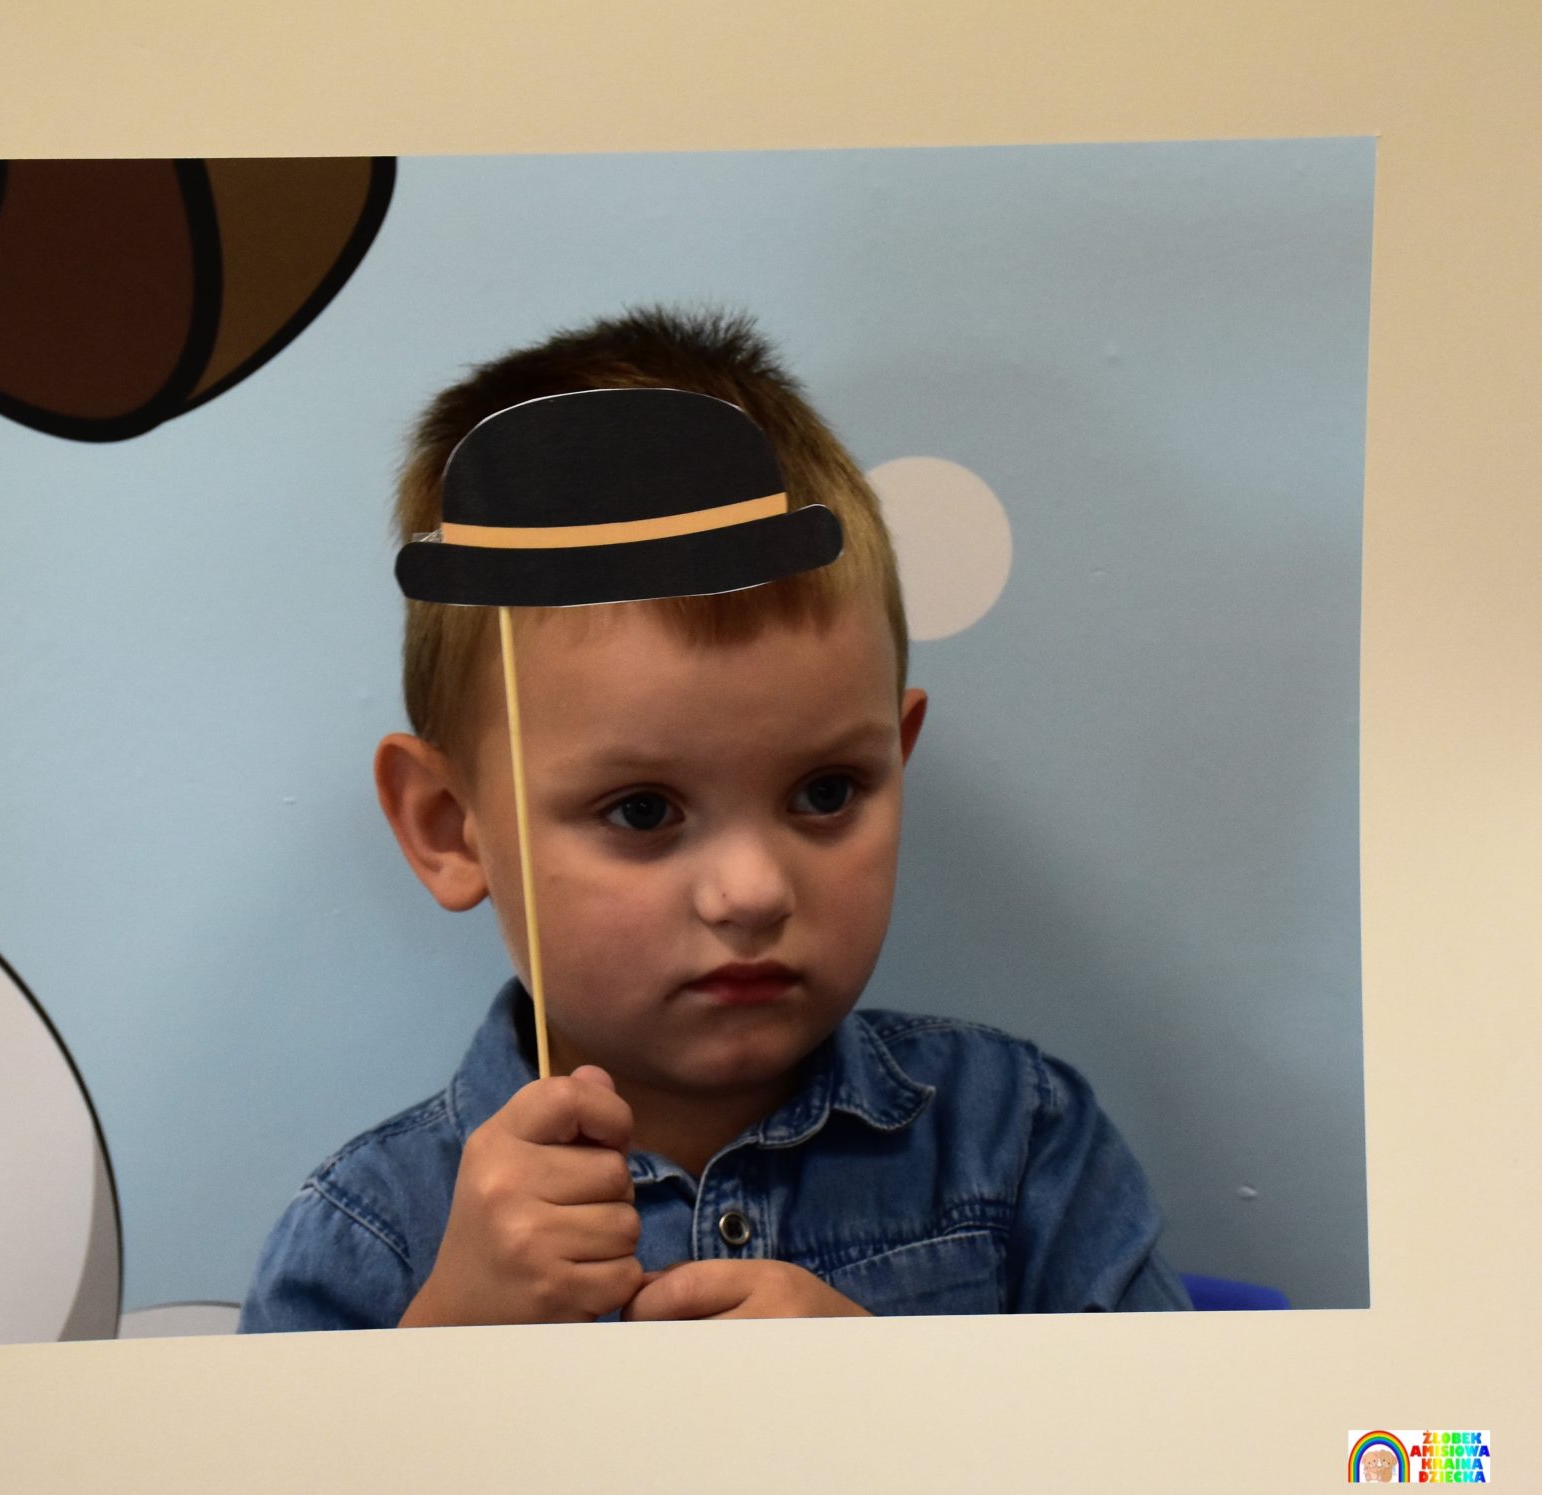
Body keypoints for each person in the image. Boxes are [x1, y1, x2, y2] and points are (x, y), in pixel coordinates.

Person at [238, 306, 1190, 1330]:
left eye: (827, 792)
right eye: (643, 810)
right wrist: (451, 1337)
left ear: (897, 757)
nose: (753, 892)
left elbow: (1191, 1434)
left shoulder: (1022, 1145)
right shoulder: (375, 1235)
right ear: (448, 828)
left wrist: (898, 1392)